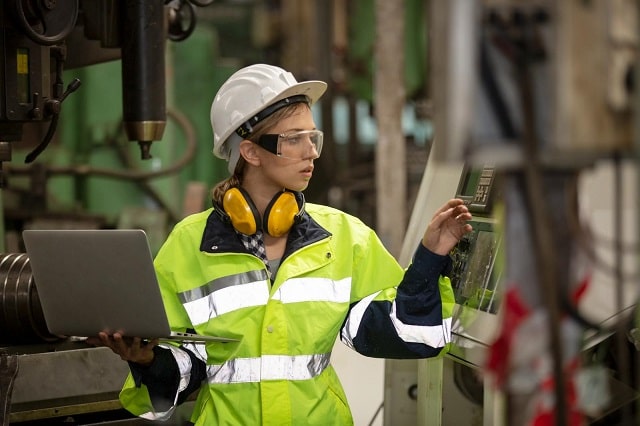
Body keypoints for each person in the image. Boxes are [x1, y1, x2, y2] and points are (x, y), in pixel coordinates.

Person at [89, 63, 473, 425]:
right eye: (293, 140)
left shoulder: (344, 236)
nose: (311, 152)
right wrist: (145, 359)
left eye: (312, 137)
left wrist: (430, 256)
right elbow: (182, 371)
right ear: (250, 151)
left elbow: (412, 336)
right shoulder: (190, 244)